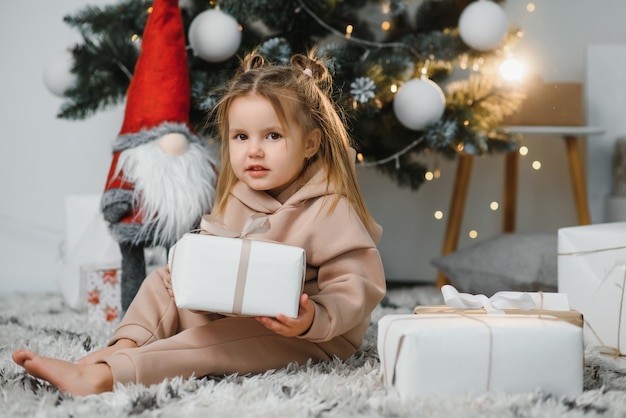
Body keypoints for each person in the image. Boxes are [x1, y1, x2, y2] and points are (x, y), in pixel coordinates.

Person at [12, 49, 387, 396]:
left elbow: (357, 285)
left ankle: (106, 376)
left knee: (211, 343)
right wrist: (189, 279)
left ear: (310, 144)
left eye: (272, 136)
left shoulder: (328, 208)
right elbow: (216, 258)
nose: (253, 149)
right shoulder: (238, 196)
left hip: (309, 332)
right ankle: (123, 347)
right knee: (163, 279)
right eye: (241, 136)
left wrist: (311, 319)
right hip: (239, 308)